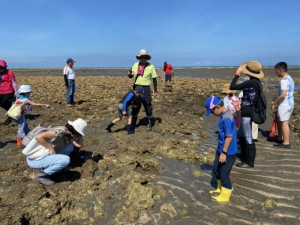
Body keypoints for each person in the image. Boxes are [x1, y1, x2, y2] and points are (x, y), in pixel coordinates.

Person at [23, 118, 87, 185]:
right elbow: (38, 137)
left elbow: (79, 145)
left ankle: (53, 167)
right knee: (65, 160)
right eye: (79, 133)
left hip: (44, 156)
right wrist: (51, 148)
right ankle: (42, 175)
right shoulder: (58, 132)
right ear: (75, 131)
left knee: (70, 147)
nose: (79, 136)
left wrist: (80, 135)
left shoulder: (67, 134)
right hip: (35, 160)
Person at [230, 61, 264, 168]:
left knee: (248, 136)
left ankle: (249, 162)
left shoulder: (251, 82)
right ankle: (244, 156)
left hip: (247, 111)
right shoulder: (256, 82)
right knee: (243, 135)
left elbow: (232, 86)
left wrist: (237, 73)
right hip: (249, 110)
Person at [205, 96, 237, 202]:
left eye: (212, 112)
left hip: (228, 152)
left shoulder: (227, 118)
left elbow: (229, 137)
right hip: (221, 150)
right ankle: (219, 189)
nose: (213, 114)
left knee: (224, 174)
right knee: (216, 170)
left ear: (217, 107)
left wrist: (224, 153)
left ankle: (225, 196)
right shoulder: (223, 115)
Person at [128, 49, 158, 131]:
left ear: (147, 58)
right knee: (135, 106)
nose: (143, 59)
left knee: (148, 105)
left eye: (145, 57)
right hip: (137, 88)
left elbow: (154, 79)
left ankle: (149, 123)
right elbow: (130, 74)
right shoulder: (135, 65)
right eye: (141, 57)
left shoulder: (151, 66)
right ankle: (133, 124)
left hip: (146, 89)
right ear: (139, 58)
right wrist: (129, 74)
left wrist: (155, 90)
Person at [271, 62, 294, 149]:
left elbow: (283, 94)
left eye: (276, 71)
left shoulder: (284, 81)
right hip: (289, 103)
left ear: (280, 70)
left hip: (285, 104)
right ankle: (280, 137)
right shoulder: (290, 78)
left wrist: (275, 102)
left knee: (284, 122)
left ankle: (286, 142)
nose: (276, 73)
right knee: (281, 121)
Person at [0, 59, 18, 125]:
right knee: (2, 104)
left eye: (2, 68)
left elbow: (14, 82)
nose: (1, 69)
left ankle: (10, 117)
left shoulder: (9, 73)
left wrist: (16, 92)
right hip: (0, 92)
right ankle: (11, 113)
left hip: (8, 92)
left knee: (7, 104)